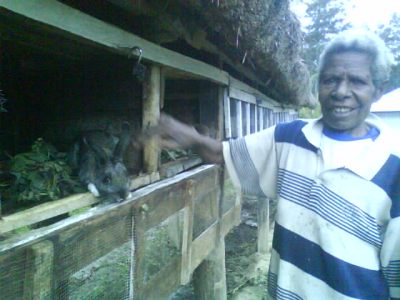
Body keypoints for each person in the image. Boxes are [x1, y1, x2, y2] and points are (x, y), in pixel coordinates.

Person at [156, 29, 399, 299]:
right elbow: (222, 154)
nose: (341, 92)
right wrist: (185, 134)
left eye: (357, 81)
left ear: (378, 89)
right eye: (331, 79)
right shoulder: (289, 138)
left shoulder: (394, 169)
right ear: (318, 87)